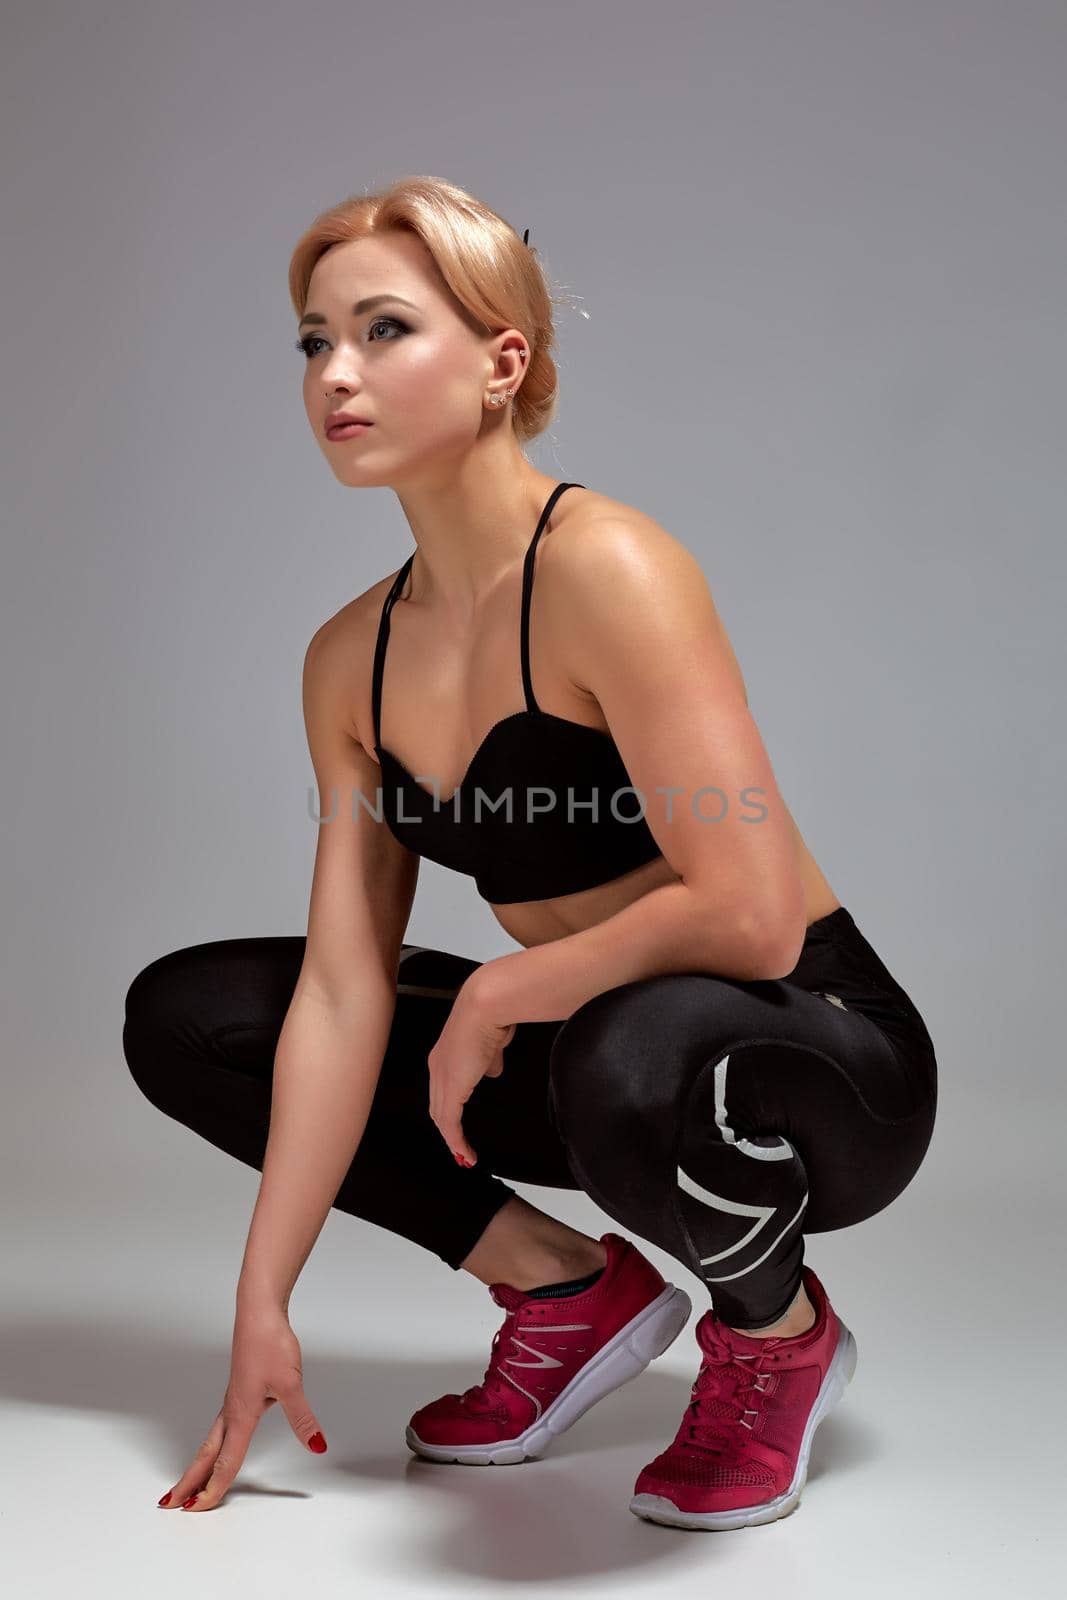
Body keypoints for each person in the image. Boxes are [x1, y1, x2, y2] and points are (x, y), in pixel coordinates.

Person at [123, 174, 938, 1532]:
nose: (337, 371)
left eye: (385, 329)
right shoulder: (347, 661)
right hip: (596, 1057)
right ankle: (567, 1289)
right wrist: (264, 1302)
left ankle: (778, 1335)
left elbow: (746, 917)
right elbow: (341, 990)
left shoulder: (609, 569)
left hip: (811, 1054)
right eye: (314, 340)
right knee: (197, 1018)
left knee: (623, 1047)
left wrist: (503, 992)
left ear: (503, 360)